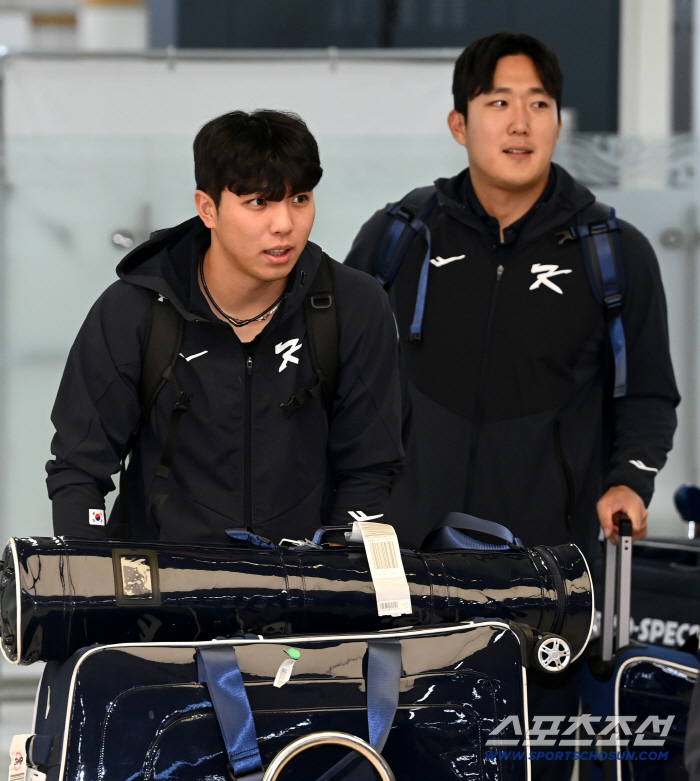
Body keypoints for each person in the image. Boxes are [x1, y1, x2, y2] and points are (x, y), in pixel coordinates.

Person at [345, 32, 679, 780]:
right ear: (459, 124)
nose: (520, 122)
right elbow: (340, 381)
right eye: (498, 103)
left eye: (539, 103)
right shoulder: (398, 238)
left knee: (531, 759)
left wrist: (630, 480)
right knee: (398, 759)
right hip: (407, 575)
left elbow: (649, 393)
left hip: (547, 581)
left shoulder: (613, 252)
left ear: (559, 120)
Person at [47, 109, 403, 544]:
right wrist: (90, 575)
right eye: (259, 202)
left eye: (300, 199)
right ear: (208, 209)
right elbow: (79, 469)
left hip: (304, 578)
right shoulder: (134, 310)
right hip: (165, 579)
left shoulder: (354, 305)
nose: (285, 225)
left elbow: (369, 467)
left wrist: (333, 571)